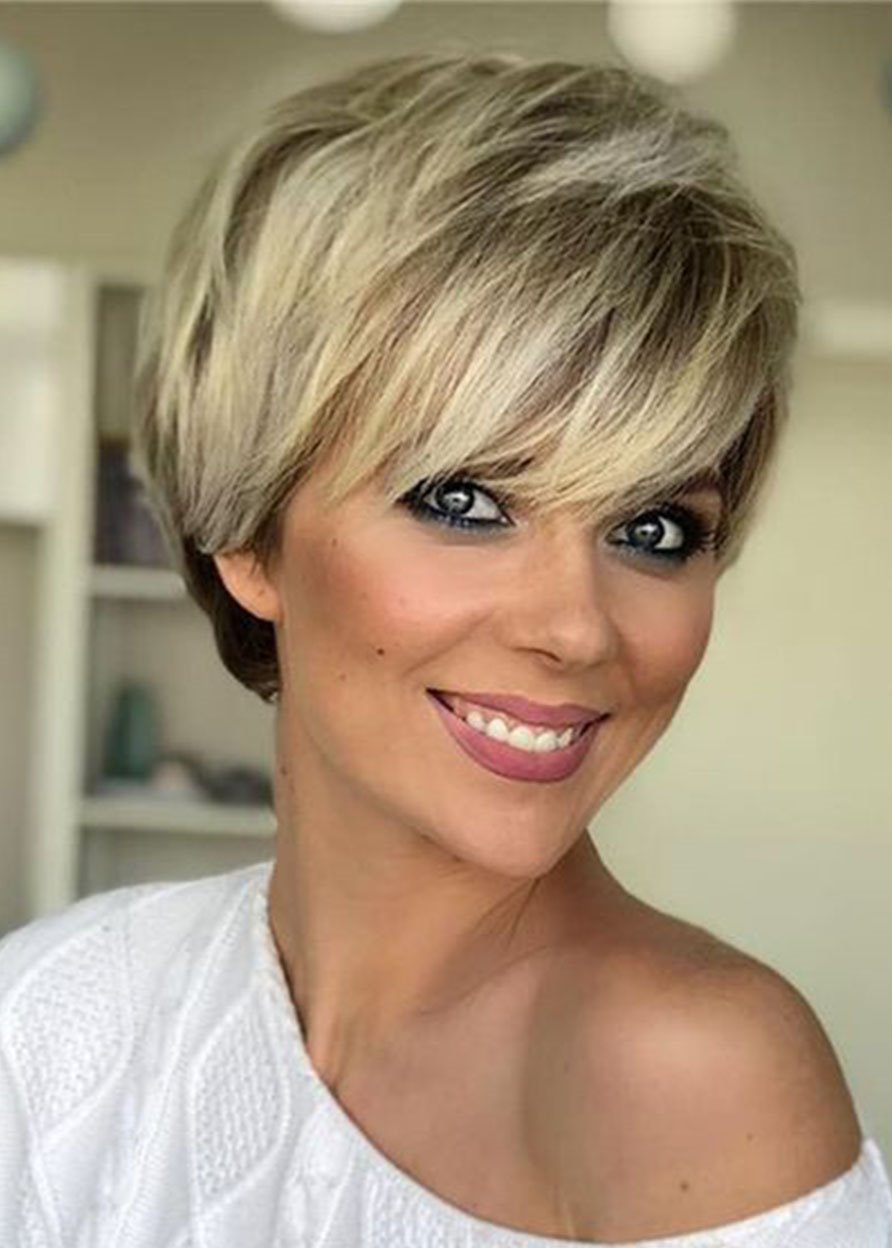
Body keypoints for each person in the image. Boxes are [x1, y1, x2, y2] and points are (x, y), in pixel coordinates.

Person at [1, 52, 890, 1246]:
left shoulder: (699, 1084)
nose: (574, 627)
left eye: (652, 529)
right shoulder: (53, 1025)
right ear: (248, 535)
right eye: (465, 502)